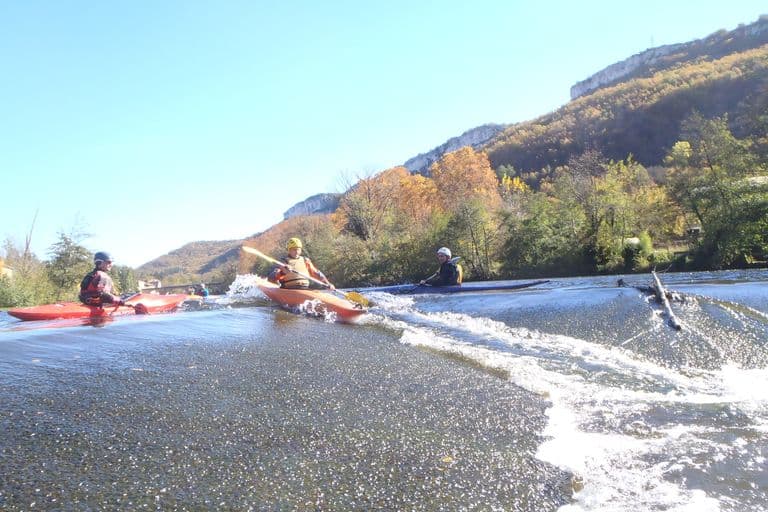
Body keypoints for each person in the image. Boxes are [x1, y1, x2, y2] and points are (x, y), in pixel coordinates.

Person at [268, 237, 335, 290]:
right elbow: (271, 278)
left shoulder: (305, 260)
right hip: (288, 289)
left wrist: (327, 283)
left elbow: (316, 273)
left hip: (305, 289)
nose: (296, 251)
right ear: (289, 250)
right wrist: (282, 272)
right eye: (294, 249)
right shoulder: (283, 261)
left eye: (298, 249)